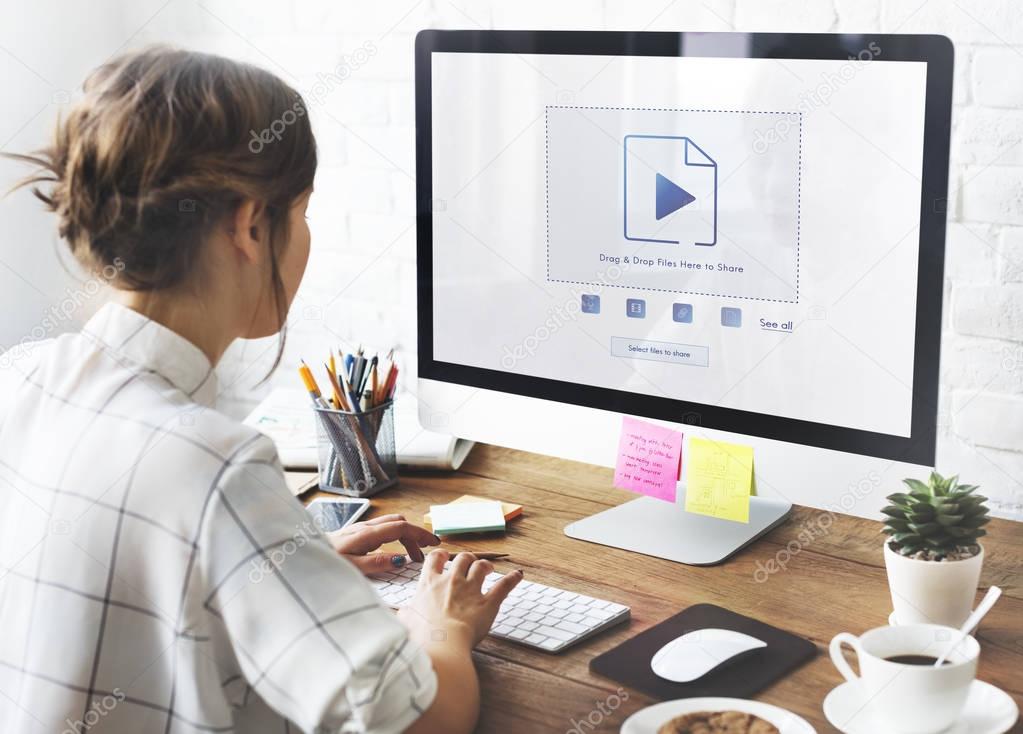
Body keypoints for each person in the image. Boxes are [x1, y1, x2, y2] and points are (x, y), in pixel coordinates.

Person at [0, 46, 521, 734]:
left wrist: (275, 567)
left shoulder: (19, 376)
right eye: (301, 212)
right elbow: (418, 720)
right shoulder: (215, 464)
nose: (302, 238)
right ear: (249, 225)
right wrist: (440, 624)